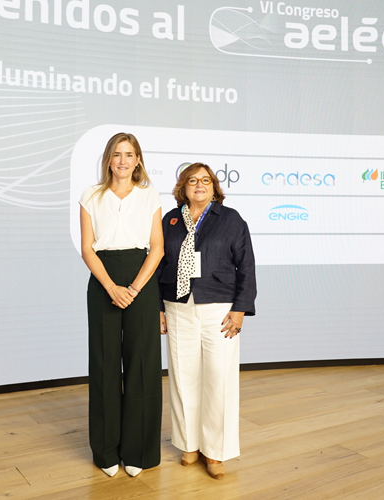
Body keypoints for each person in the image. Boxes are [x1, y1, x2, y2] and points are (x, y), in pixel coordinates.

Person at [157, 162, 256, 479]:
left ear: (214, 187)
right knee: (184, 379)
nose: (199, 184)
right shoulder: (170, 221)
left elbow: (247, 266)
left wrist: (240, 307)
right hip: (177, 308)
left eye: (205, 180)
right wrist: (158, 307)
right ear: (182, 188)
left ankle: (216, 452)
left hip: (220, 310)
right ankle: (189, 445)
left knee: (219, 379)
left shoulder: (230, 219)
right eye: (191, 180)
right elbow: (159, 266)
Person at [79, 132, 164, 478]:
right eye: (117, 154)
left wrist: (132, 288)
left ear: (138, 160)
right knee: (104, 366)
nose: (123, 160)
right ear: (108, 160)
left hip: (141, 279)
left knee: (142, 367)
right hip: (104, 281)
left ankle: (138, 451)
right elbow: (87, 248)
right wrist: (112, 287)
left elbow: (156, 248)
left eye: (129, 154)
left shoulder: (150, 196)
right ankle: (106, 451)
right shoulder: (90, 196)